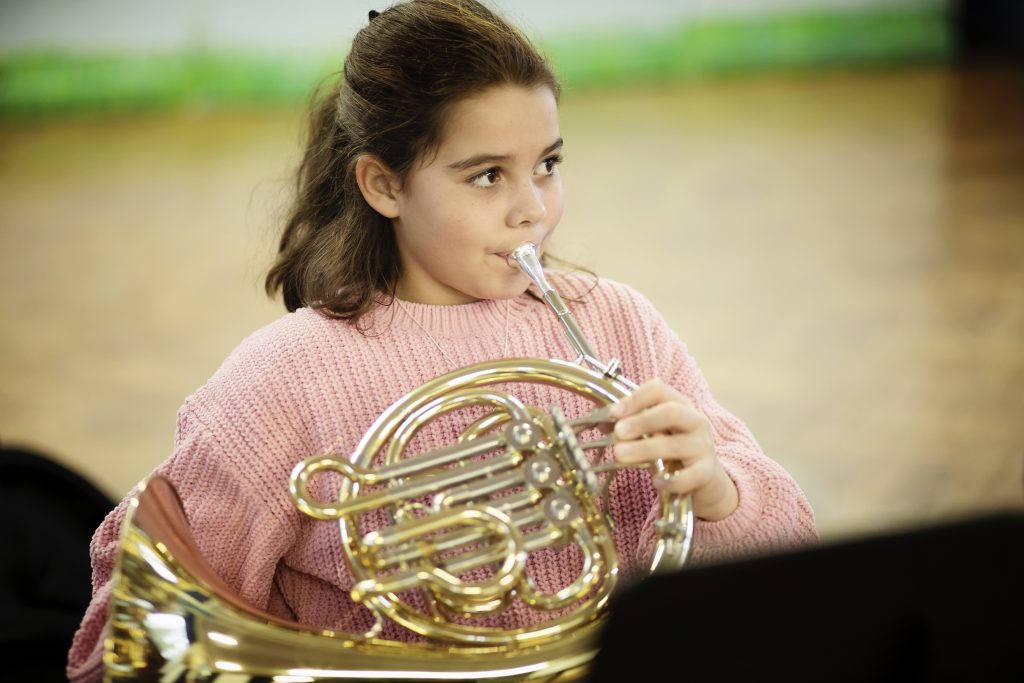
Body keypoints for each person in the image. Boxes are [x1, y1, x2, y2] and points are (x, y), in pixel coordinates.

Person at [67, 1, 817, 680]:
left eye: (548, 165)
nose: (534, 211)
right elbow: (127, 634)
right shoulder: (282, 379)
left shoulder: (617, 322)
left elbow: (792, 547)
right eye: (488, 176)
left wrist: (718, 491)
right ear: (383, 185)